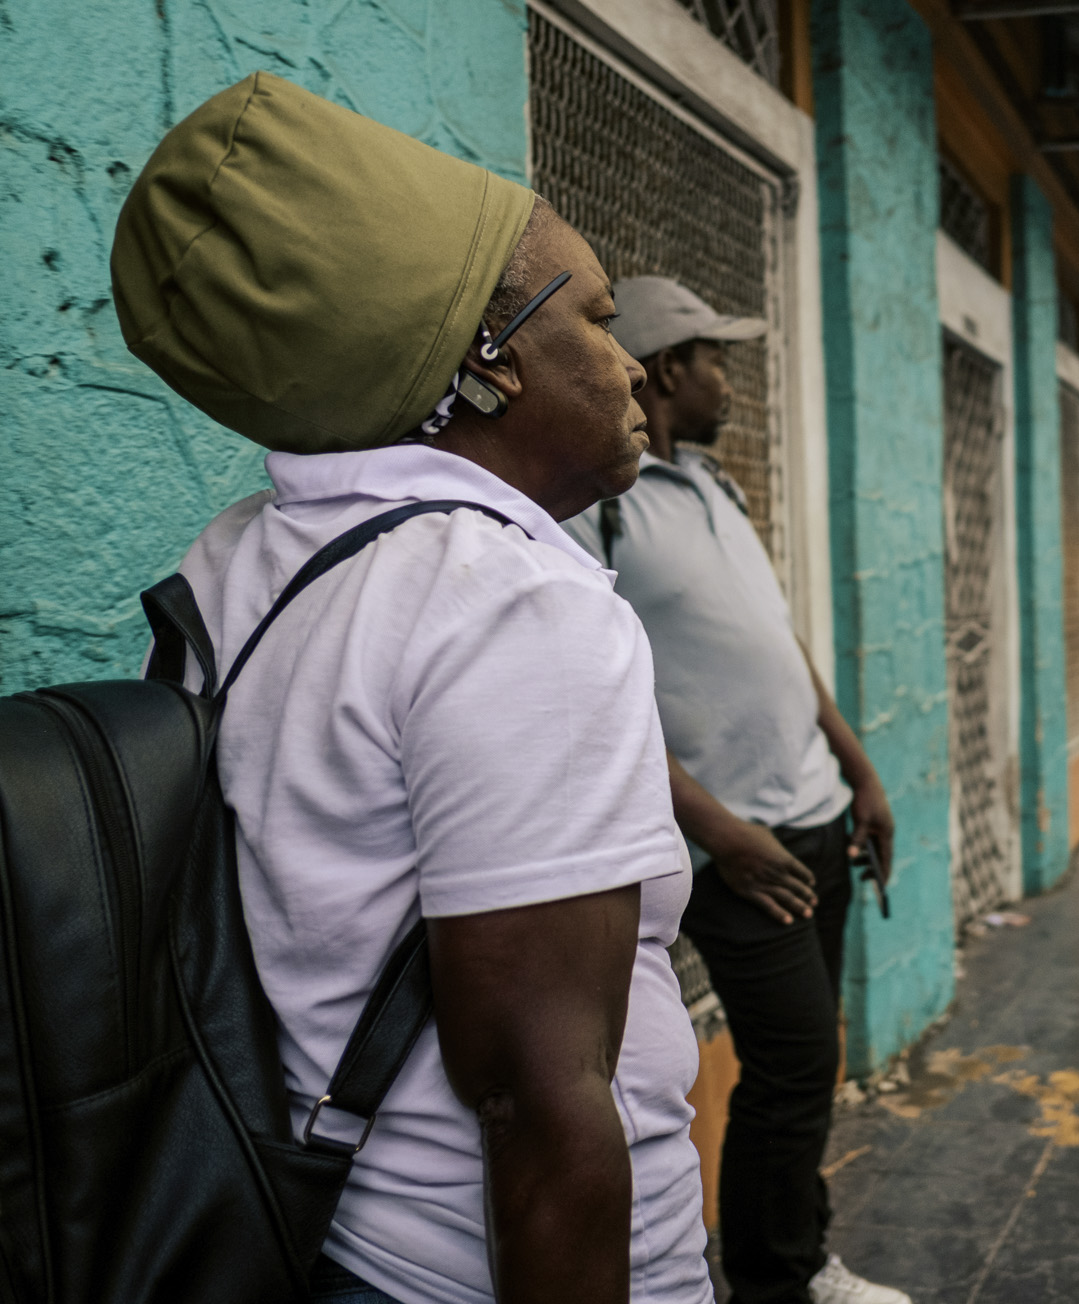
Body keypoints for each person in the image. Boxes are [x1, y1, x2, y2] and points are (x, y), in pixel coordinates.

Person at [112, 73, 709, 1304]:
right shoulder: (511, 603)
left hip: (324, 1230)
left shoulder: (242, 556)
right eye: (597, 324)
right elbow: (542, 1098)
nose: (633, 372)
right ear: (491, 357)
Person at [564, 277, 908, 1304]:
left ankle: (794, 1256)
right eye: (717, 359)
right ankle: (771, 1277)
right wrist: (723, 831)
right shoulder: (597, 504)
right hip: (730, 843)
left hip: (818, 816)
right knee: (797, 1059)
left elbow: (779, 642)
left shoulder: (721, 488)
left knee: (807, 1060)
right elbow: (597, 694)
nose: (730, 381)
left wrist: (860, 769)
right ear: (670, 368)